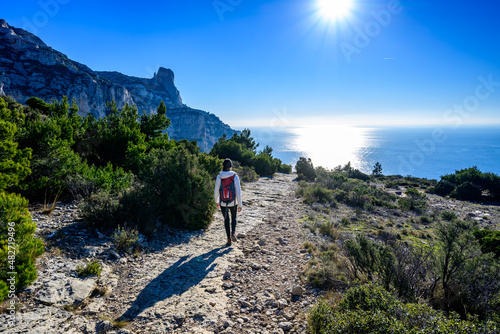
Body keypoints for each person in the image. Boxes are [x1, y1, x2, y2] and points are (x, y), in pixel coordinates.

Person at [214, 158, 242, 246]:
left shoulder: (219, 176)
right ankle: (233, 233)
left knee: (226, 220)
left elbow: (216, 190)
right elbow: (238, 191)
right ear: (231, 167)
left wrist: (216, 201)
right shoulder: (234, 176)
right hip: (233, 202)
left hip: (222, 202)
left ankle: (229, 239)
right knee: (234, 218)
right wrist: (240, 204)